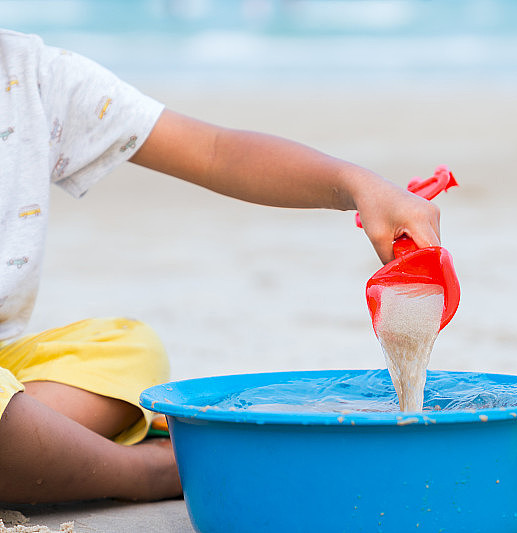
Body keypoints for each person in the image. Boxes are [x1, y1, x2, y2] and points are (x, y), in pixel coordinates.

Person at [0, 29, 442, 503]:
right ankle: (148, 471)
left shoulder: (33, 78)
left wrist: (358, 185)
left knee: (130, 347)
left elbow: (214, 151)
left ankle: (37, 448)